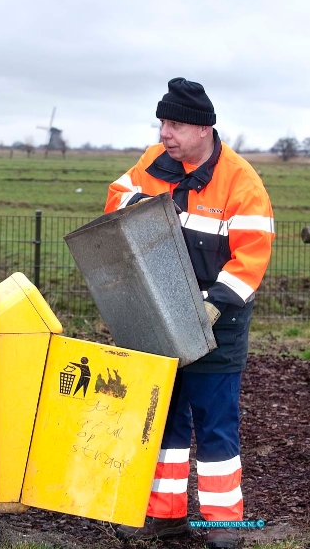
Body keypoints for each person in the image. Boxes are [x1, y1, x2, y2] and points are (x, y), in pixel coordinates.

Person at [104, 77, 275, 548]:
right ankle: (165, 515)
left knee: (215, 424)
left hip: (217, 322)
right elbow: (115, 199)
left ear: (203, 129)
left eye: (175, 124)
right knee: (163, 418)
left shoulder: (242, 182)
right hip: (160, 311)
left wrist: (211, 308)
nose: (164, 133)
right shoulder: (151, 164)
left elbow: (251, 258)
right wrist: (153, 204)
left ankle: (224, 524)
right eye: (162, 122)